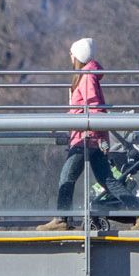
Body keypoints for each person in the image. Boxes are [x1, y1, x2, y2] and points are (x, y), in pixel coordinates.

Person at [49, 37, 117, 225]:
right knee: (107, 181)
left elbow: (93, 107)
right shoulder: (88, 75)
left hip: (85, 138)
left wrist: (89, 129)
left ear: (77, 56)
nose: (70, 57)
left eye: (71, 54)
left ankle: (61, 219)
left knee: (66, 177)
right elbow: (82, 108)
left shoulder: (86, 77)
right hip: (91, 137)